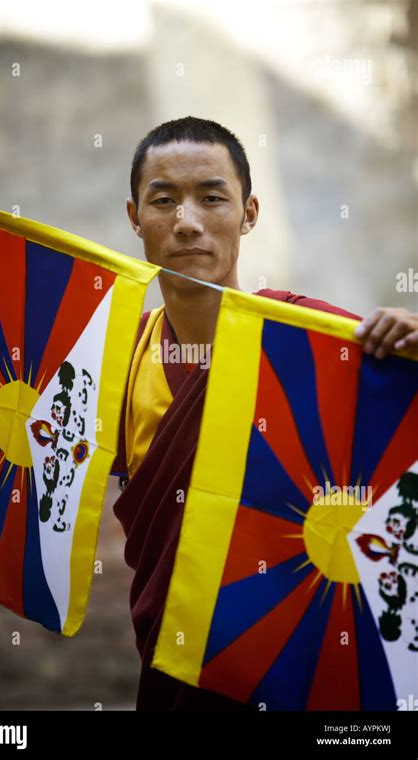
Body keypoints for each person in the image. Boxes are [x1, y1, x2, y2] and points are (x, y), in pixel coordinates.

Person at [110, 116, 418, 711]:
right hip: (177, 670)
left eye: (212, 197)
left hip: (294, 665)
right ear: (134, 217)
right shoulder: (119, 361)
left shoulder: (304, 342)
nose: (188, 222)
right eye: (164, 200)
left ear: (249, 213)